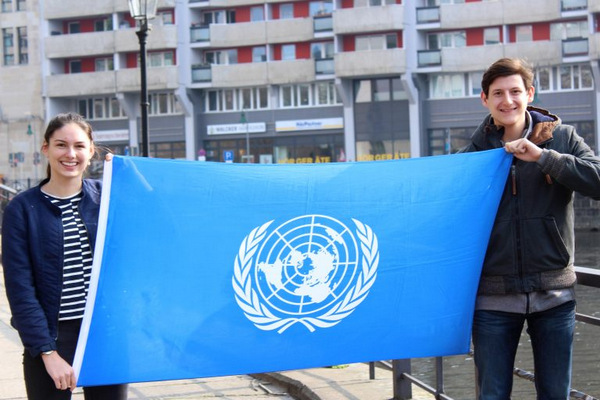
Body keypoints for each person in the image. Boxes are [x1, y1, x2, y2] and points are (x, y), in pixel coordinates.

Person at [461, 58, 600, 399]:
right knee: (492, 394)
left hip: (554, 296)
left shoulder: (563, 138)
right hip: (492, 298)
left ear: (529, 93)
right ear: (485, 99)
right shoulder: (473, 153)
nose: (507, 101)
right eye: (498, 93)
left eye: (515, 91)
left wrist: (544, 158)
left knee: (555, 393)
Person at [1, 113, 127, 399]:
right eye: (61, 145)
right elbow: (20, 289)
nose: (70, 154)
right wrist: (47, 352)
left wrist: (126, 175)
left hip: (105, 338)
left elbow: (157, 219)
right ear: (45, 148)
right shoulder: (22, 209)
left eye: (80, 146)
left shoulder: (109, 197)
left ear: (91, 151)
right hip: (50, 340)